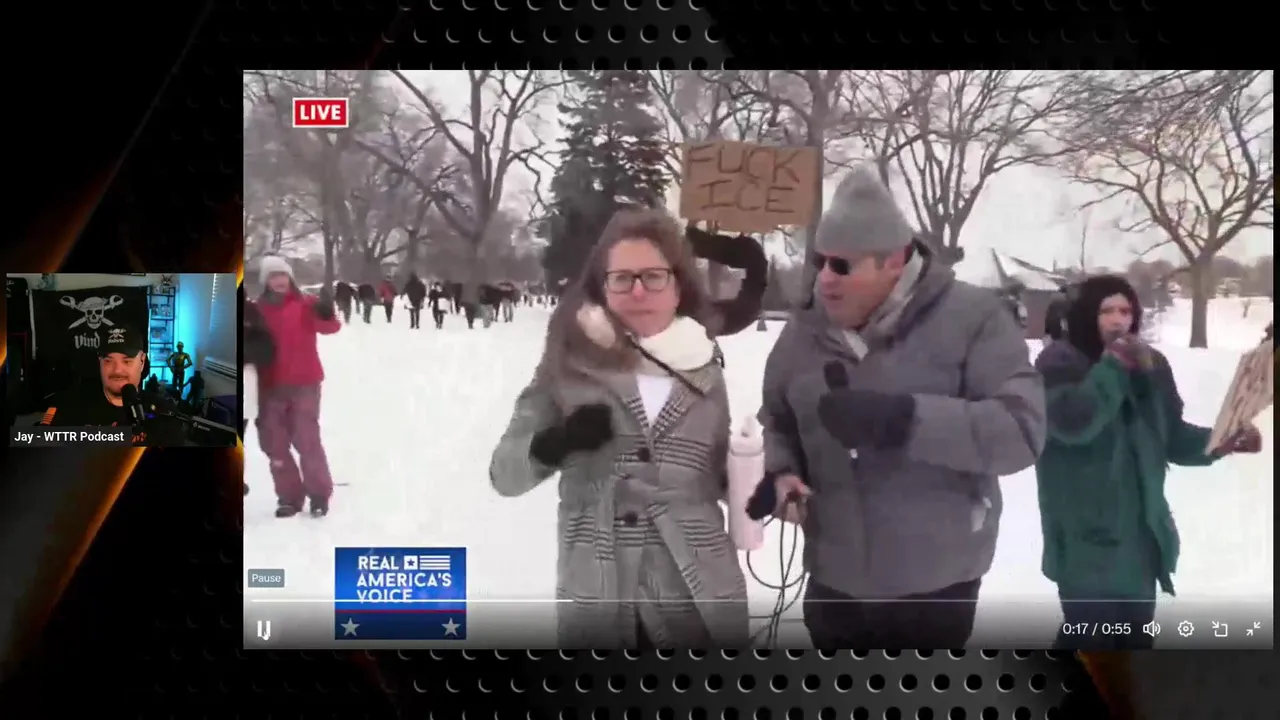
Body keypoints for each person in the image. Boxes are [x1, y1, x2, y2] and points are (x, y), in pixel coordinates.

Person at [756, 166, 1046, 649]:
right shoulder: (804, 331)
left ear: (893, 261)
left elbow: (1021, 432)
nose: (825, 279)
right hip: (834, 580)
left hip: (936, 584)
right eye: (821, 261)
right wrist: (781, 471)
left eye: (842, 265)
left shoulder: (974, 318)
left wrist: (907, 420)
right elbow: (776, 420)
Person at [489, 207, 750, 648]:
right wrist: (556, 443)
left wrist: (759, 480)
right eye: (622, 278)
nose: (638, 290)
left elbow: (719, 475)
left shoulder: (704, 365)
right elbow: (504, 475)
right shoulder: (567, 364)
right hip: (601, 595)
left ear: (678, 285)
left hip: (697, 596)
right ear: (603, 287)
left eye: (653, 276)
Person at [1033, 274, 1262, 650]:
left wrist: (1222, 440)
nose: (1118, 319)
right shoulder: (1058, 363)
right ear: (1086, 314)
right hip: (1085, 544)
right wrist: (1113, 366)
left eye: (1126, 311)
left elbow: (1172, 437)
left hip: (1142, 542)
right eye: (1107, 311)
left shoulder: (1151, 364)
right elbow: (1074, 423)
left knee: (1134, 648)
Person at [253, 255, 342, 518]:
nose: (279, 280)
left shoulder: (306, 304)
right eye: (273, 276)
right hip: (269, 385)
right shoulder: (256, 310)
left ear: (290, 277)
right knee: (275, 443)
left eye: (282, 274)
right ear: (266, 281)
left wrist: (327, 313)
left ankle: (319, 494)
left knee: (306, 438)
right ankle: (289, 497)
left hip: (305, 383)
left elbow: (331, 327)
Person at [38, 324, 186, 446]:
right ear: (99, 362)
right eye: (108, 361)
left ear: (142, 361)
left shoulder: (164, 412)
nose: (117, 370)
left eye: (127, 361)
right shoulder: (67, 406)